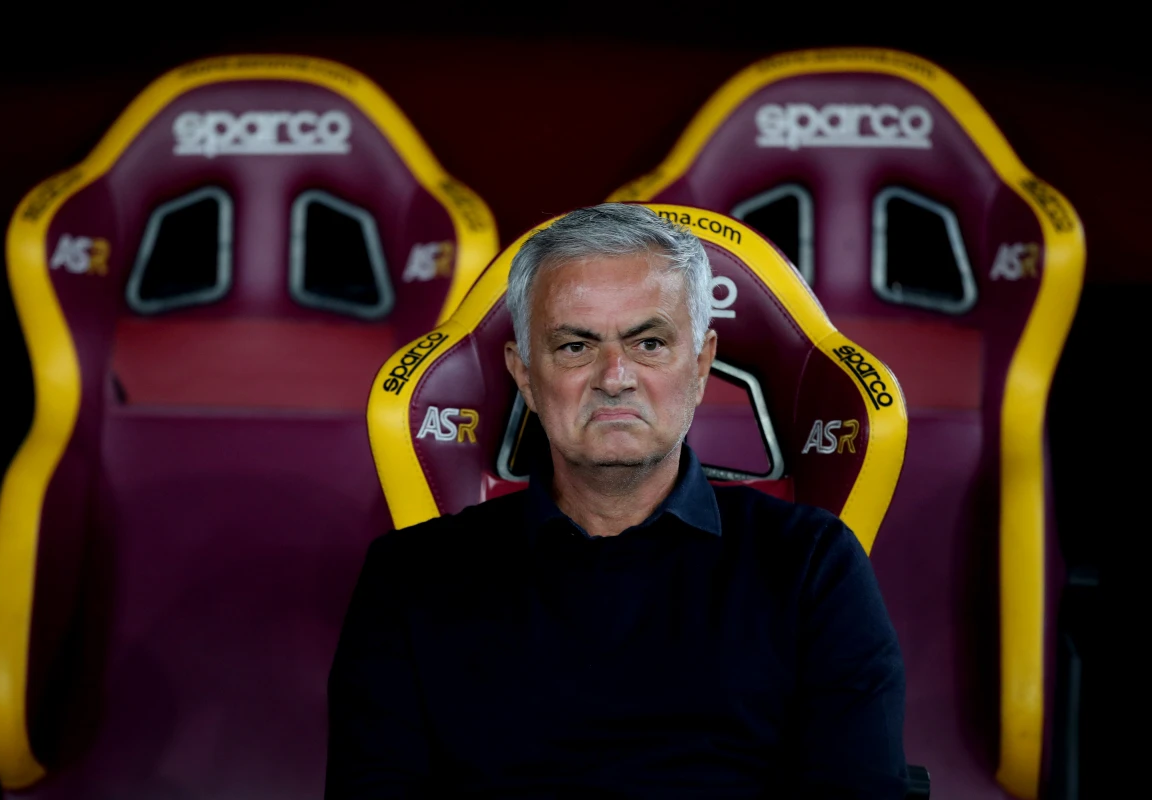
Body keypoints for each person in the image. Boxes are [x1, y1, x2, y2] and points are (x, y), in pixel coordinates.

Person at [325, 203, 907, 798]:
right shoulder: (408, 578)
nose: (614, 376)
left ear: (702, 366)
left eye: (649, 342)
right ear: (525, 374)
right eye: (576, 347)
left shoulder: (813, 567)